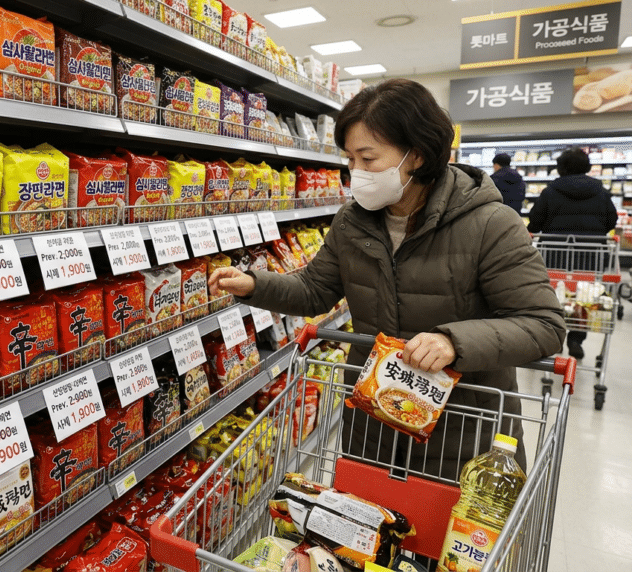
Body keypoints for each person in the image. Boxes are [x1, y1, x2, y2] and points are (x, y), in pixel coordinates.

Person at [208, 78, 564, 480]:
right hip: (373, 424)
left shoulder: (490, 224)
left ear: (417, 155)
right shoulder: (351, 221)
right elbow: (314, 291)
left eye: (368, 159)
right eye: (350, 160)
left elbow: (543, 324)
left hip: (462, 436)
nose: (356, 173)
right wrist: (255, 285)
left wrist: (454, 342)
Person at [527, 147, 618, 359]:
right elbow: (611, 221)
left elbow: (535, 222)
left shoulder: (550, 191)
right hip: (591, 253)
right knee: (584, 295)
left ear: (561, 168)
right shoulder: (600, 191)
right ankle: (576, 338)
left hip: (555, 253)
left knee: (553, 294)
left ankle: (554, 336)